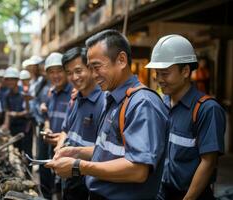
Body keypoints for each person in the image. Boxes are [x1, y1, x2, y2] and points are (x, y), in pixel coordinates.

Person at [46, 29, 169, 200]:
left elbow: (138, 170)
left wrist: (79, 166)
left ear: (121, 60)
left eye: (97, 67)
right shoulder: (113, 99)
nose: (94, 75)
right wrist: (77, 152)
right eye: (90, 68)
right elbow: (112, 152)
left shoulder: (142, 103)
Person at [145, 34, 225, 200]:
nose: (159, 80)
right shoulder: (163, 103)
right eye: (157, 73)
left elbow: (208, 162)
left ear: (186, 71)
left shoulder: (207, 109)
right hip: (161, 192)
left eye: (165, 74)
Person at [55, 47, 106, 200]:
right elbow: (66, 130)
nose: (74, 77)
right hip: (70, 179)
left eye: (78, 71)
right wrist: (60, 147)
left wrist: (74, 154)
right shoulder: (76, 99)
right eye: (69, 73)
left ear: (90, 69)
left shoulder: (104, 102)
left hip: (90, 183)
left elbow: (107, 151)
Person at [41, 52, 72, 200]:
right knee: (56, 185)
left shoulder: (74, 93)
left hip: (69, 151)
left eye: (59, 71)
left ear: (66, 71)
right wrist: (47, 128)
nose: (56, 76)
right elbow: (47, 117)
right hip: (52, 149)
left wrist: (62, 138)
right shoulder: (51, 93)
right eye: (51, 72)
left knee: (66, 188)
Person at [1, 67, 29, 155]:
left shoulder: (24, 93)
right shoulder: (7, 95)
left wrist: (17, 114)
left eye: (12, 80)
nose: (10, 82)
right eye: (7, 80)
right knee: (15, 151)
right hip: (13, 127)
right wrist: (5, 125)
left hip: (25, 126)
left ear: (17, 80)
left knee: (27, 151)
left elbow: (28, 112)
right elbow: (7, 111)